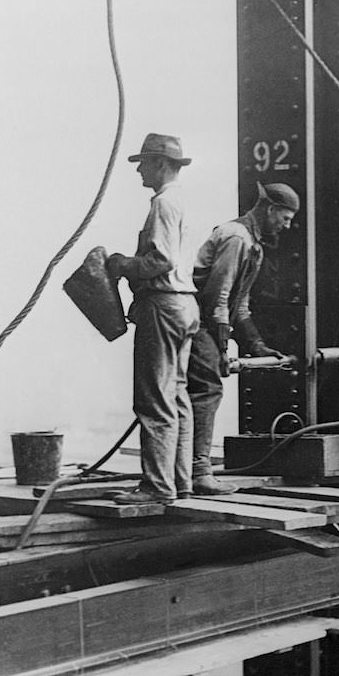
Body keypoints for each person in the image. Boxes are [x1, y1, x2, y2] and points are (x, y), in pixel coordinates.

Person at [187, 182, 298, 495]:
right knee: (208, 386)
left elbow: (240, 302)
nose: (286, 225)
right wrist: (222, 349)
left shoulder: (253, 243)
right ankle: (198, 471)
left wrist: (256, 345)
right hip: (194, 317)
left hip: (205, 318)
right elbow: (217, 298)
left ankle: (186, 467)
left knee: (196, 389)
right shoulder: (237, 237)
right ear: (271, 209)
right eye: (285, 217)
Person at [107, 133, 200, 504]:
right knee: (177, 397)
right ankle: (181, 482)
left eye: (143, 163)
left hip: (162, 305)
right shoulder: (181, 201)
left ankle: (157, 488)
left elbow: (160, 261)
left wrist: (121, 265)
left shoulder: (163, 204)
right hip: (185, 307)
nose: (139, 170)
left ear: (161, 164)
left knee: (154, 400)